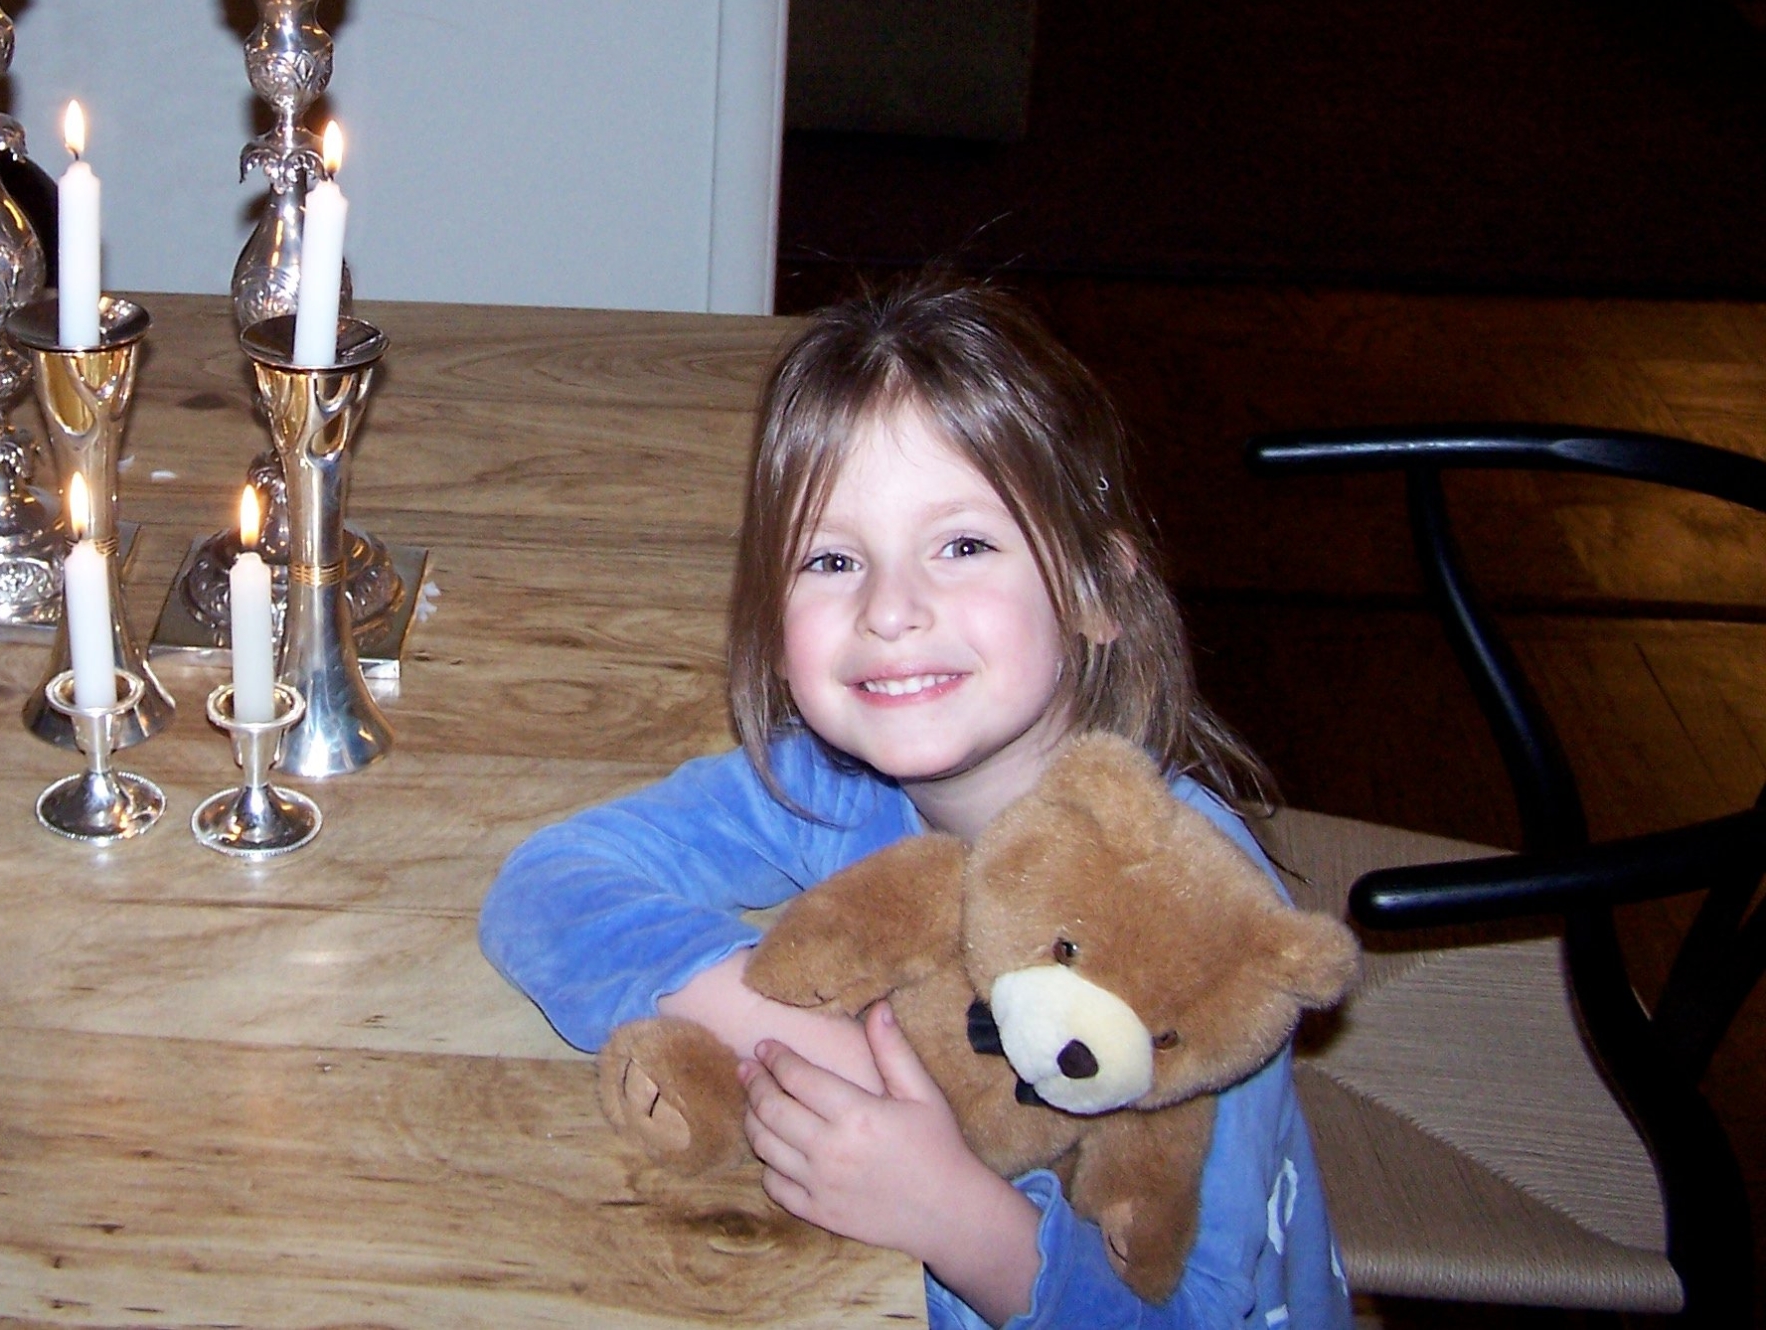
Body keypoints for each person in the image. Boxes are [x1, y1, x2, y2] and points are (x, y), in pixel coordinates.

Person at [478, 275, 1346, 1329]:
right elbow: (546, 886)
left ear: (1094, 591)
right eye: (833, 559)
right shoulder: (838, 784)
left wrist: (955, 1217)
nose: (891, 610)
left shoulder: (1189, 916)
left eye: (963, 545)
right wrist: (774, 1026)